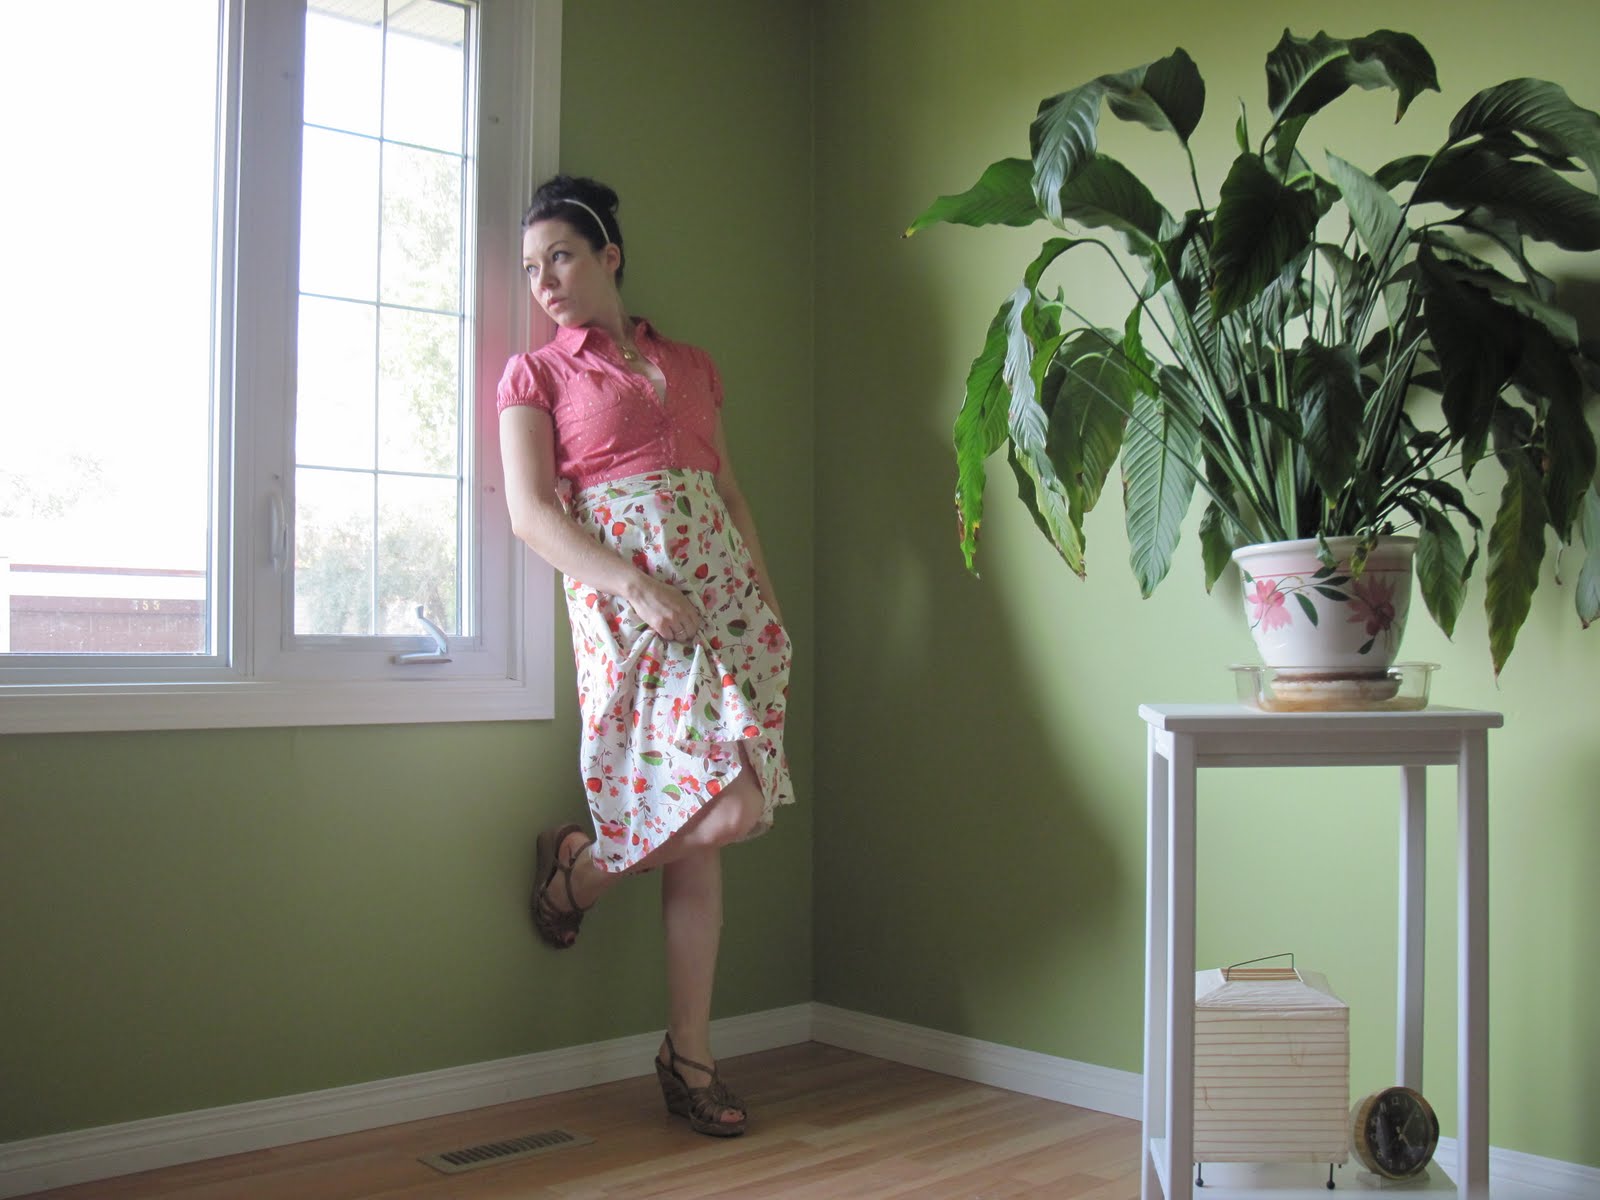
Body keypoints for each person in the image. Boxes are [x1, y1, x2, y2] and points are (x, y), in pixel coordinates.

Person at [496, 175, 793, 1138]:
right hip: (628, 612)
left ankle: (685, 1049)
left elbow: (729, 492)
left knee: (718, 816)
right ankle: (579, 879)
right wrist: (635, 588)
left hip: (721, 605)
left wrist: (765, 604)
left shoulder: (692, 365)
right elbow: (531, 513)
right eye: (531, 267)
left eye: (561, 257)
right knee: (709, 810)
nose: (544, 281)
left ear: (609, 256)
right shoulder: (535, 377)